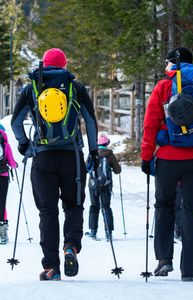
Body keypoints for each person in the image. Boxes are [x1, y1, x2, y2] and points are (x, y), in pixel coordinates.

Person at [11, 48, 99, 280]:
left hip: (43, 157)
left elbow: (16, 122)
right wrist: (94, 151)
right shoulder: (76, 88)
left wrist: (24, 146)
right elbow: (90, 121)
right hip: (72, 156)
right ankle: (71, 245)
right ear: (64, 65)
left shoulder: (31, 88)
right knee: (74, 206)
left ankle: (52, 267)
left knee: (47, 212)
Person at [141, 47, 193, 281]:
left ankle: (163, 260)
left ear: (172, 64)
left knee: (164, 205)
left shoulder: (163, 86)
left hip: (168, 158)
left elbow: (150, 125)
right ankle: (188, 270)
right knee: (191, 211)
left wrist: (147, 156)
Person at [88, 134, 121, 241]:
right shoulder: (110, 155)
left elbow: (86, 167)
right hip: (106, 185)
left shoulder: (92, 153)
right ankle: (108, 233)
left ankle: (93, 232)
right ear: (107, 144)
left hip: (93, 185)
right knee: (106, 207)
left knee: (94, 207)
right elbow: (117, 171)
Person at [0, 125, 18, 244]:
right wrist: (15, 165)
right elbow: (11, 162)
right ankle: (2, 233)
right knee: (2, 203)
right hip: (3, 176)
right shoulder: (5, 143)